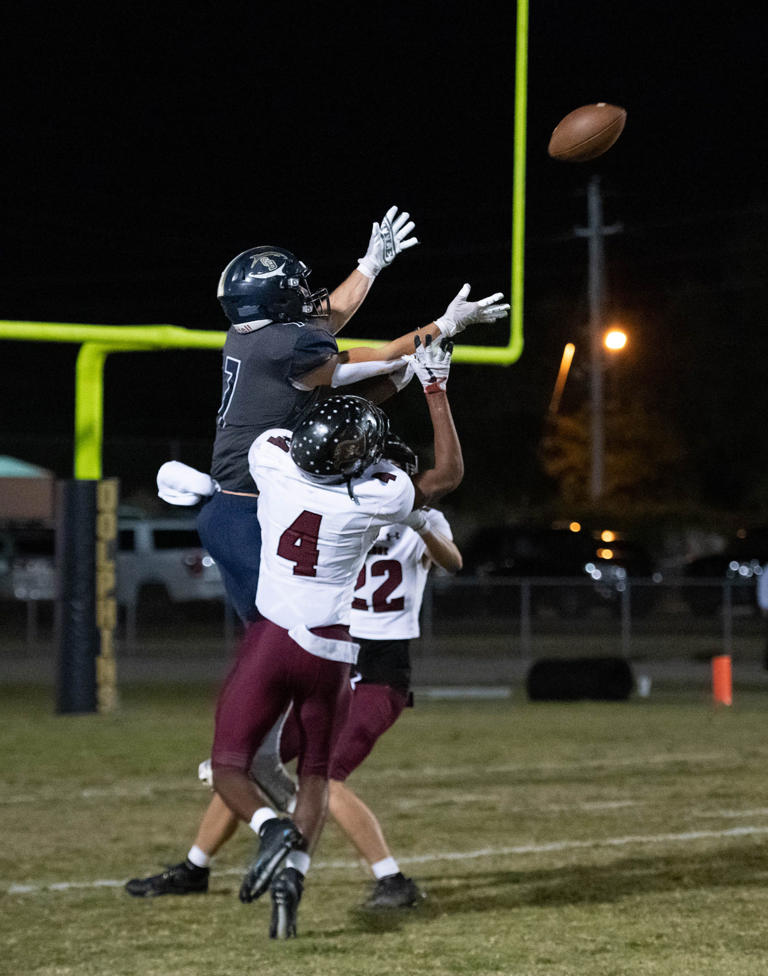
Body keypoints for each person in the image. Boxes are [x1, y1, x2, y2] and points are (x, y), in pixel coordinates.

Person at [208, 333, 464, 940]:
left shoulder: (272, 461)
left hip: (275, 639)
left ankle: (270, 831)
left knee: (229, 767)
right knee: (318, 777)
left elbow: (284, 421)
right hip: (334, 652)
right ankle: (294, 875)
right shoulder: (386, 498)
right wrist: (424, 382)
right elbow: (423, 478)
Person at [125, 505, 462, 912]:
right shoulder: (338, 507)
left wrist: (419, 523)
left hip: (378, 673)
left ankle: (392, 878)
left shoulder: (419, 518)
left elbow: (451, 561)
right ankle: (195, 867)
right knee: (247, 764)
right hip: (331, 658)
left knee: (325, 777)